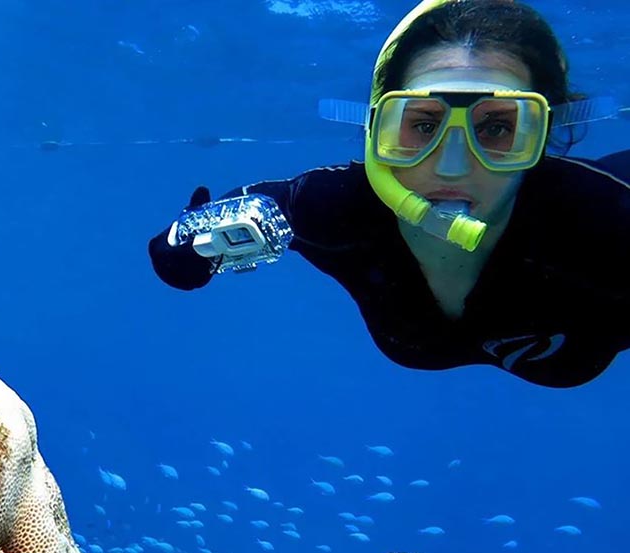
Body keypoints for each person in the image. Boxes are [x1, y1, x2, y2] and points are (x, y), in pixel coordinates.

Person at [148, 0, 630, 388]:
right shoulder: (335, 207)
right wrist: (186, 251)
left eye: (498, 128)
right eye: (423, 125)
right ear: (377, 129)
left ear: (544, 137)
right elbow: (183, 240)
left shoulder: (608, 222)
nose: (453, 164)